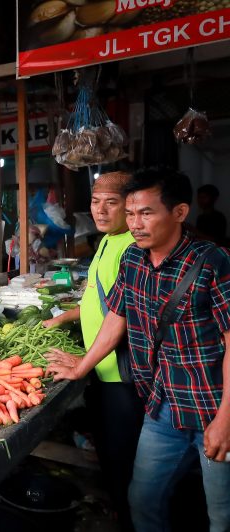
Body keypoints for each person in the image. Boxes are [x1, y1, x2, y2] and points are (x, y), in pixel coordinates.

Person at [47, 167, 230, 532]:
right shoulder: (132, 259)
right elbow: (117, 315)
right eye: (130, 213)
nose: (135, 223)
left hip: (212, 406)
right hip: (161, 406)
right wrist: (83, 365)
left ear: (179, 213)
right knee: (142, 500)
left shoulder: (213, 262)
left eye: (146, 213)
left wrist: (226, 419)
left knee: (221, 516)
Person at [42, 171, 143, 532]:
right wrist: (64, 317)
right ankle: (117, 509)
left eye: (110, 203)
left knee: (125, 460)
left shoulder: (132, 246)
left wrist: (83, 364)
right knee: (109, 454)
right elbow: (100, 300)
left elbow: (124, 316)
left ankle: (128, 519)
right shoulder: (107, 241)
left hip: (122, 375)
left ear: (129, 206)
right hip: (101, 370)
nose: (100, 210)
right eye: (95, 202)